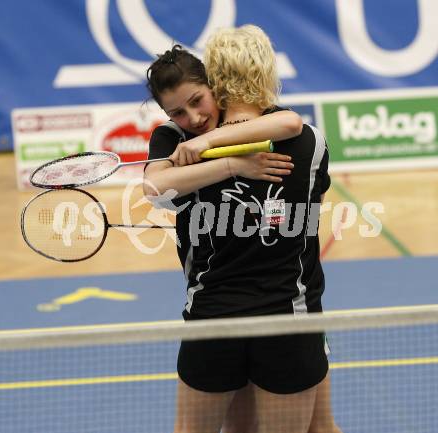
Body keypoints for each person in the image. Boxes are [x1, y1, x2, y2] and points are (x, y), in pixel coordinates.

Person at [144, 26, 340, 433]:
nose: (193, 118)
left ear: (214, 81)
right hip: (290, 316)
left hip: (231, 318)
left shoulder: (186, 144)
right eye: (178, 112)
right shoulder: (310, 143)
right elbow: (154, 187)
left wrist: (209, 150)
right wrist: (234, 164)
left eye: (198, 101)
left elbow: (287, 123)